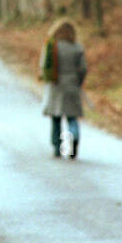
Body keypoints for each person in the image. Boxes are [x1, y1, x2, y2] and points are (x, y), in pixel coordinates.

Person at [39, 19, 86, 159]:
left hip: (55, 86)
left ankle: (57, 148)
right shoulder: (77, 47)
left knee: (56, 118)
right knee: (72, 117)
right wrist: (79, 81)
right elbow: (83, 68)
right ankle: (74, 138)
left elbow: (43, 66)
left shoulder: (51, 47)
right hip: (72, 85)